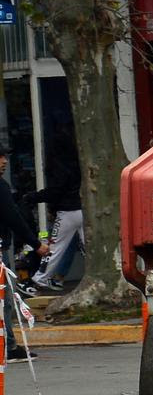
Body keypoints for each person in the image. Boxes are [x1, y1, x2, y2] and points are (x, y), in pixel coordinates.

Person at [0, 151, 44, 359]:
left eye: (5, 157)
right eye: (0, 157)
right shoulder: (1, 187)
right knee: (5, 298)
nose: (4, 161)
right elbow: (13, 218)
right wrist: (35, 244)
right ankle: (7, 346)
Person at [21, 156, 82, 294]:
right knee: (87, 247)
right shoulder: (77, 164)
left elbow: (55, 191)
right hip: (83, 208)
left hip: (67, 211)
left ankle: (39, 279)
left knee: (55, 247)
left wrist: (32, 197)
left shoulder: (60, 167)